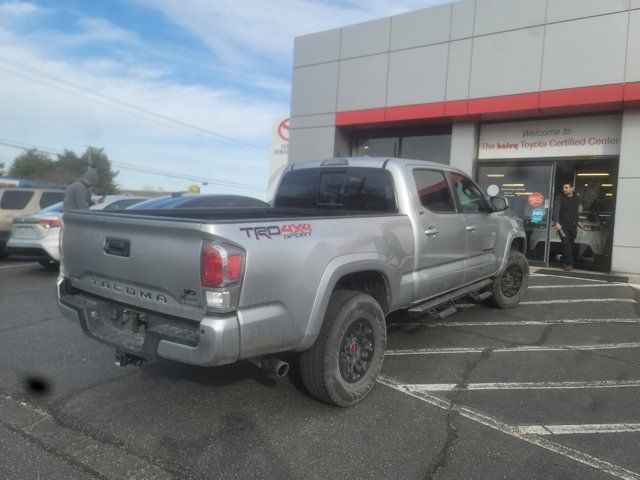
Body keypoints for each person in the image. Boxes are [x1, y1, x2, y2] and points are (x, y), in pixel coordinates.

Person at [552, 183, 583, 271]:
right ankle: (569, 264)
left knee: (570, 245)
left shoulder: (577, 197)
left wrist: (578, 222)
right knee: (566, 244)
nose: (564, 189)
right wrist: (556, 222)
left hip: (573, 226)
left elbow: (575, 211)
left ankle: (564, 261)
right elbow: (556, 210)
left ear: (572, 188)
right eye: (563, 187)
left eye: (566, 187)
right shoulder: (559, 198)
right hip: (562, 226)